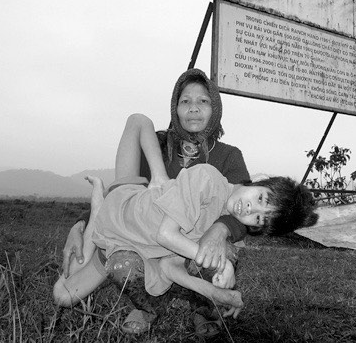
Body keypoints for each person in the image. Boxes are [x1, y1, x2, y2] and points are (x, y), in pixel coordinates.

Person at [52, 113, 319, 322]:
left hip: (124, 243)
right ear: (260, 180)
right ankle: (99, 199)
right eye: (261, 199)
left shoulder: (219, 222)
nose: (250, 211)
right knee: (94, 230)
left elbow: (169, 268)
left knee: (62, 295)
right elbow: (166, 235)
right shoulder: (207, 177)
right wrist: (223, 264)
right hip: (121, 206)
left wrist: (215, 293)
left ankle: (98, 219)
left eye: (260, 219)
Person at [61, 68, 251, 335]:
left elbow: (245, 209)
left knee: (219, 252)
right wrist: (81, 225)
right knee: (122, 264)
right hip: (150, 244)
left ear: (215, 107)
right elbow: (124, 200)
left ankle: (205, 309)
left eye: (203, 101)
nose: (193, 109)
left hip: (193, 243)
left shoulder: (229, 156)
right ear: (175, 107)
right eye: (185, 101)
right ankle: (149, 305)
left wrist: (220, 231)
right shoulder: (158, 147)